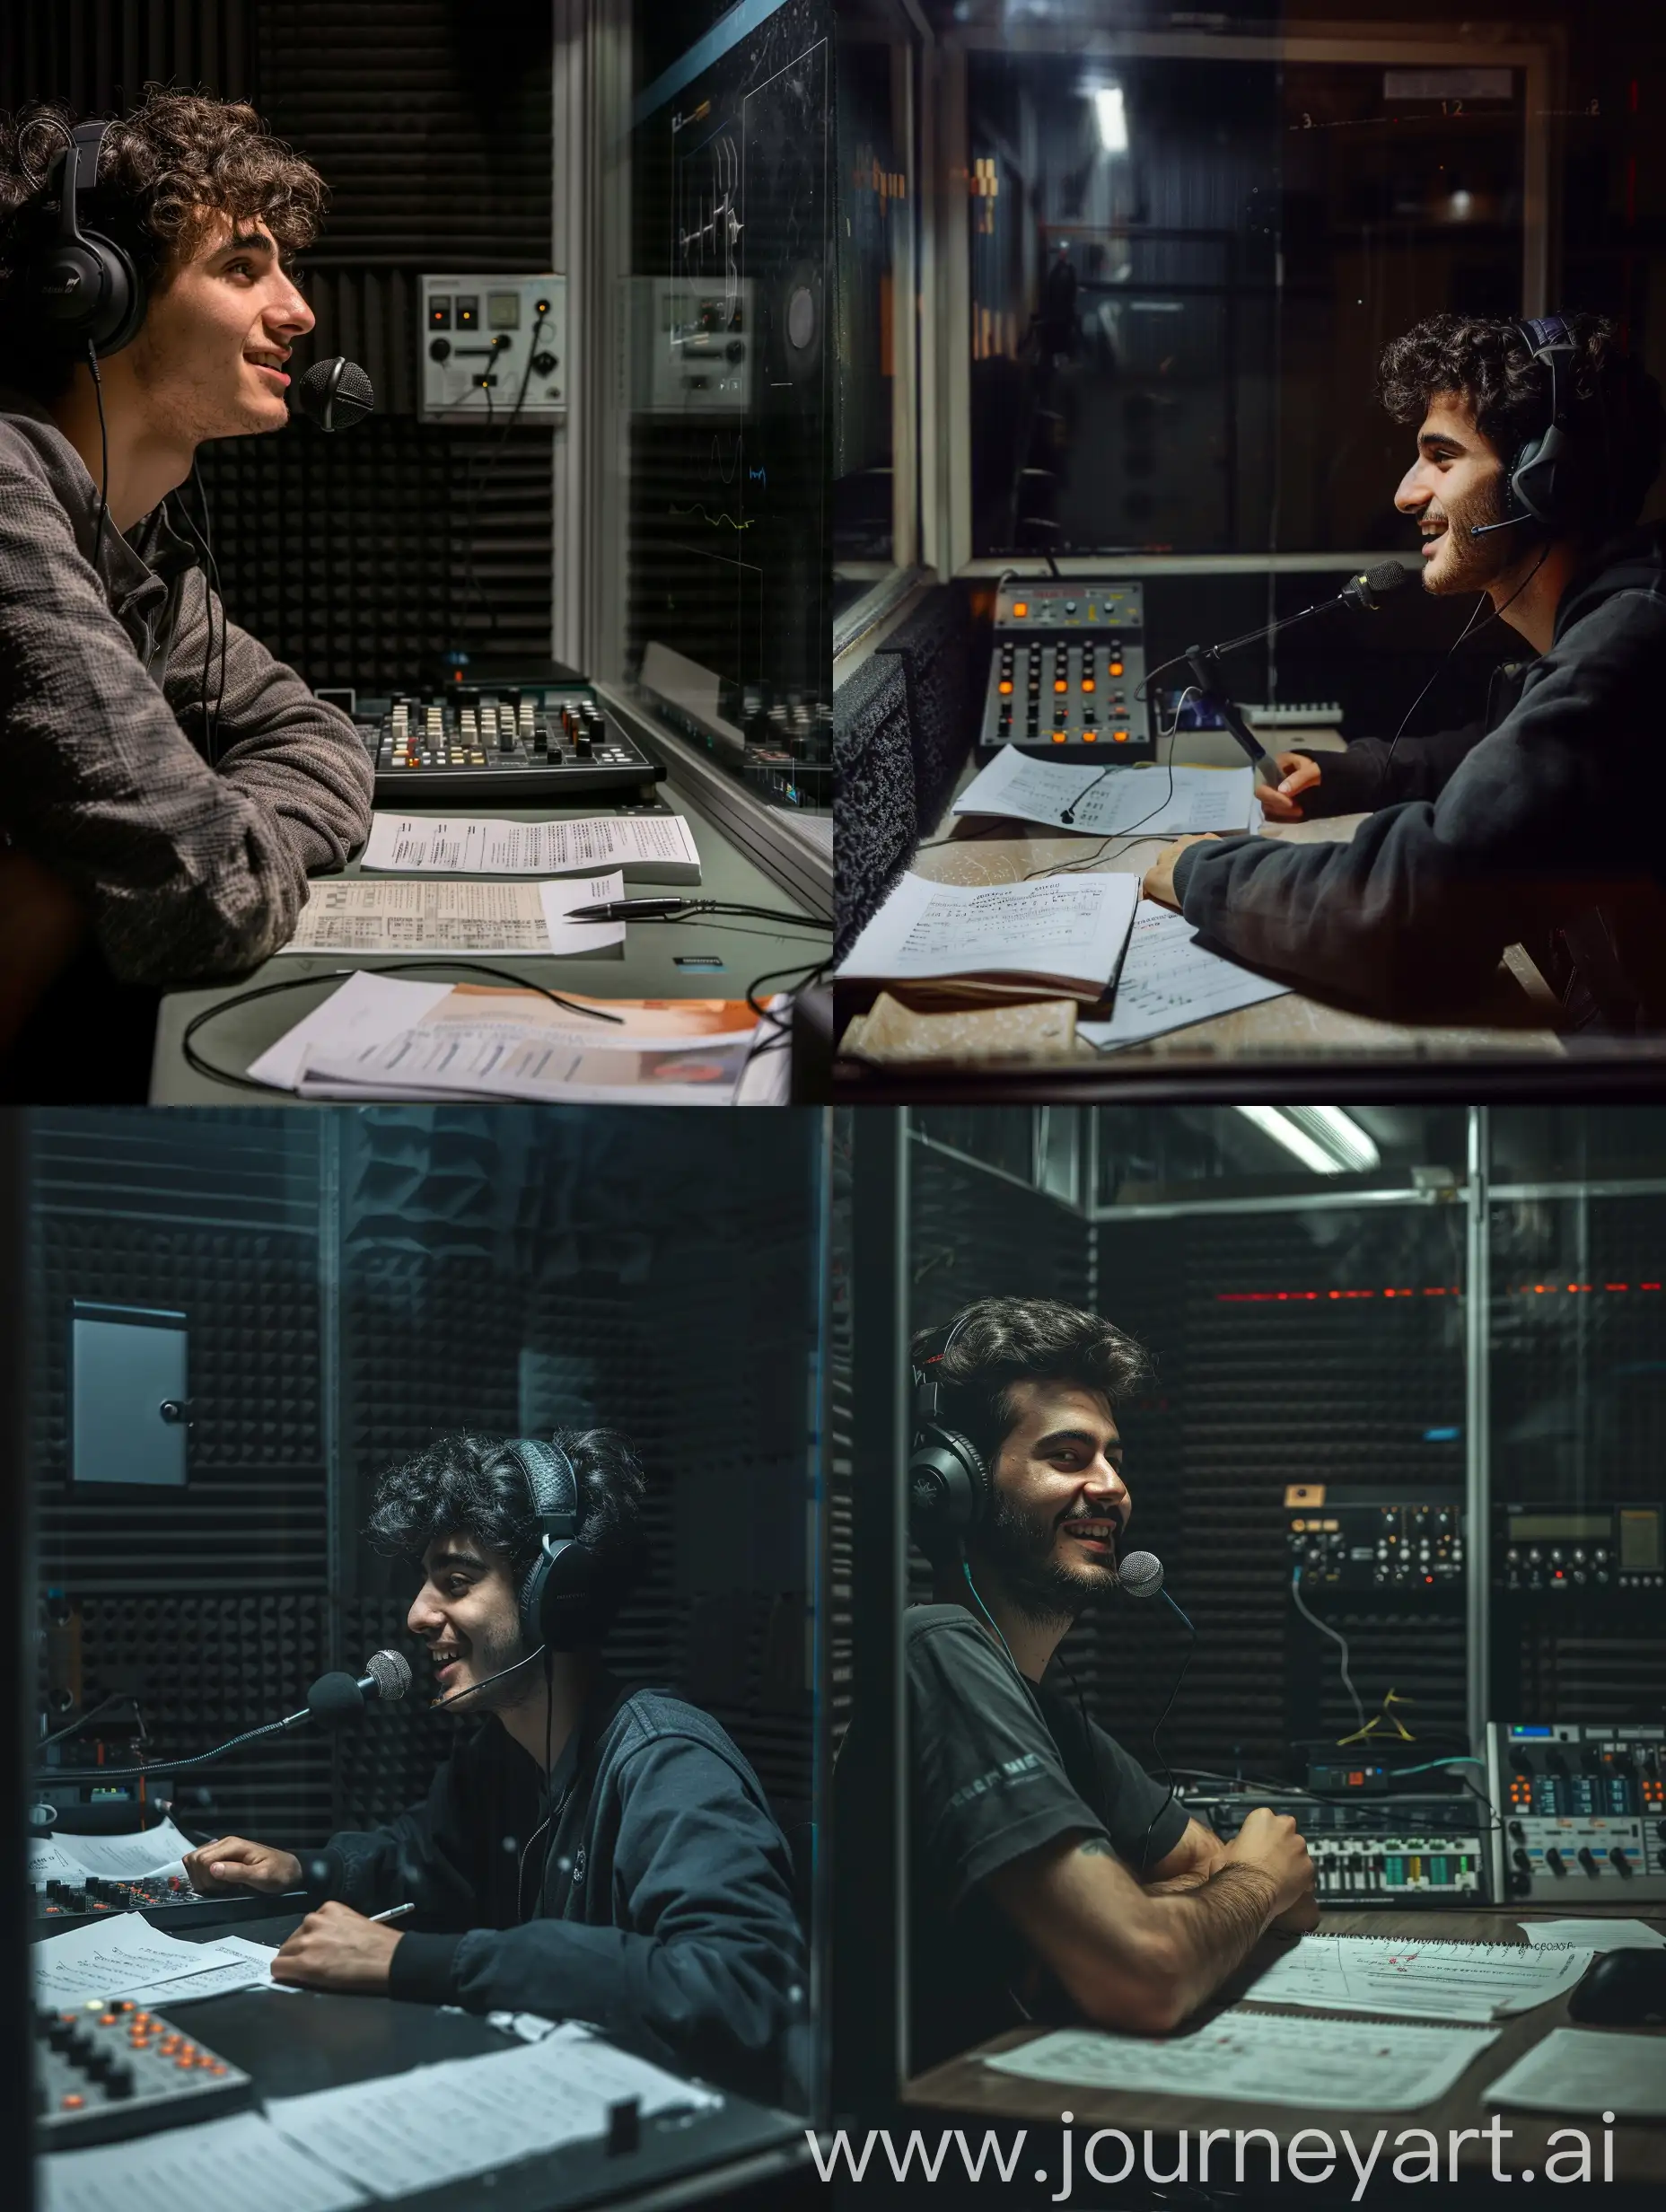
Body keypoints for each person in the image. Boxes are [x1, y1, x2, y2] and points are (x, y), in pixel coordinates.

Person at [181, 1432, 806, 2101]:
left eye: (456, 1581)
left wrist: (420, 1962)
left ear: (556, 1593)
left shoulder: (666, 1761)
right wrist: (305, 1869)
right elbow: (416, 1859)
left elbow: (740, 1983)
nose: (418, 1614)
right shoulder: (499, 1758)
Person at [1143, 312, 1666, 1031]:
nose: (1405, 493)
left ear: (1545, 481)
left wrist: (1201, 873)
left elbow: (1410, 908)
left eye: (1441, 458)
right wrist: (1359, 774)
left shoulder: (1629, 650)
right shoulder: (1625, 617)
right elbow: (1509, 755)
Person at [0, 90, 373, 1094]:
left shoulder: (139, 552)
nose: (296, 311)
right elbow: (206, 899)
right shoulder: (5, 504)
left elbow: (317, 737)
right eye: (241, 270)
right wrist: (203, 847)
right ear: (92, 292)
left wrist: (82, 881)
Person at [893, 1297, 1317, 2074]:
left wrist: (1132, 1915)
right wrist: (1250, 1879)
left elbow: (1292, 1902)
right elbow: (1150, 1973)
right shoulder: (935, 1653)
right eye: (1068, 1456)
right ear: (953, 1483)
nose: (1112, 1486)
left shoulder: (1044, 1711)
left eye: (1113, 1456)